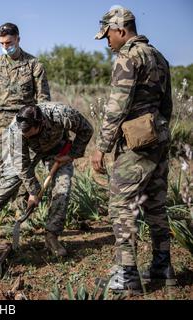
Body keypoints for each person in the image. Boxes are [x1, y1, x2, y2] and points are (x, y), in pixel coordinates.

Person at [91, 6, 176, 293]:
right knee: (155, 205)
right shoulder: (159, 57)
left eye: (108, 37)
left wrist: (101, 147)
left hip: (135, 145)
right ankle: (162, 267)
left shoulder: (128, 57)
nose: (108, 43)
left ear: (121, 31)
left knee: (121, 207)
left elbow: (117, 107)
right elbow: (167, 105)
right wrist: (159, 130)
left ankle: (127, 275)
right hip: (160, 139)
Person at [0, 103, 93, 257]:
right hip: (28, 151)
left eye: (29, 132)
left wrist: (72, 154)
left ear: (40, 124)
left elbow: (86, 129)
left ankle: (52, 236)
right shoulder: (16, 130)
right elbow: (21, 165)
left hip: (58, 148)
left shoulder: (61, 114)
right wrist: (34, 191)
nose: (25, 134)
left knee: (62, 188)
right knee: (7, 183)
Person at [0, 22, 51, 130]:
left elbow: (43, 97)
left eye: (8, 42)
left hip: (28, 116)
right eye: (1, 43)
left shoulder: (34, 64)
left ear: (17, 39)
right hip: (3, 120)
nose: (5, 47)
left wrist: (40, 123)